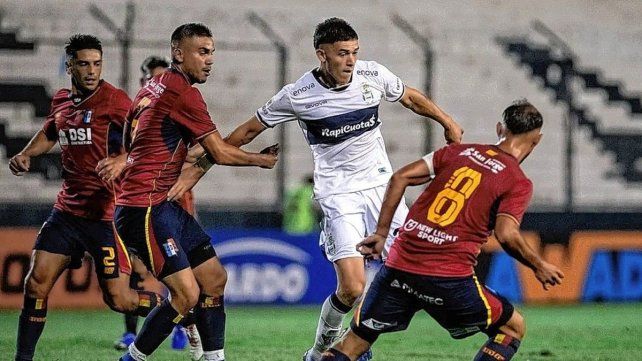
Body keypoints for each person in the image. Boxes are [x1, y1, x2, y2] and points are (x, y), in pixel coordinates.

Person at [168, 17, 463, 361]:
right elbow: (247, 133)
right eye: (342, 54)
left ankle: (354, 343)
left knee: (415, 273)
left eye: (354, 52)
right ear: (322, 55)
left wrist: (448, 121)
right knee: (352, 287)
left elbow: (410, 97)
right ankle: (322, 351)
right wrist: (200, 168)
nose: (351, 61)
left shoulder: (371, 74)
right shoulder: (298, 95)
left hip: (384, 190)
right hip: (338, 195)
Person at [321, 100, 565, 361]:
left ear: (498, 129)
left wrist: (381, 234)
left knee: (354, 342)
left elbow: (399, 177)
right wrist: (539, 265)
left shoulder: (457, 152)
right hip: (447, 276)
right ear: (537, 140)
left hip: (399, 265)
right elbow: (506, 234)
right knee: (512, 327)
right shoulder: (517, 181)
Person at [115, 23, 278, 361]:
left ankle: (212, 357)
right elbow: (218, 152)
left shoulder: (153, 87)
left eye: (212, 52)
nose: (210, 60)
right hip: (144, 208)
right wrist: (259, 160)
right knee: (186, 294)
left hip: (159, 203)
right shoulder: (183, 93)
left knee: (214, 278)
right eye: (202, 52)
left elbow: (137, 141)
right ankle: (131, 357)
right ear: (178, 53)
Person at [9, 34, 162, 361]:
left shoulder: (116, 101)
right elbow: (51, 131)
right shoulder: (62, 100)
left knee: (119, 300)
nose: (92, 70)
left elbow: (148, 138)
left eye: (97, 63)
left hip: (105, 217)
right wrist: (26, 154)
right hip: (66, 213)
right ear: (69, 66)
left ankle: (174, 306)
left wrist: (122, 160)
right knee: (35, 285)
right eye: (83, 64)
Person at [111, 55, 203, 360]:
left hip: (173, 206)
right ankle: (139, 334)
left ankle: (184, 328)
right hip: (140, 206)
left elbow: (197, 147)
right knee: (141, 276)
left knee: (182, 282)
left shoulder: (178, 107)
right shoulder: (137, 113)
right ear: (144, 82)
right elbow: (126, 158)